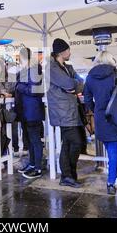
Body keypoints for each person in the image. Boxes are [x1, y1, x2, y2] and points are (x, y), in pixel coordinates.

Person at [84, 51, 117, 194]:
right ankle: (111, 183)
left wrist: (97, 110)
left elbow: (87, 100)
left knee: (112, 151)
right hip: (116, 118)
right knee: (113, 153)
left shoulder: (90, 78)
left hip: (101, 118)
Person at [46, 39, 84, 188]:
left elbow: (80, 82)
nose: (70, 53)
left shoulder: (69, 67)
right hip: (62, 112)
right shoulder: (51, 68)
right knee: (75, 142)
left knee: (69, 143)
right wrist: (72, 85)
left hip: (71, 111)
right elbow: (69, 84)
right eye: (68, 50)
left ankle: (69, 176)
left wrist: (75, 86)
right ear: (61, 52)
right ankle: (68, 175)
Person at [15, 47, 45, 180]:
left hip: (33, 111)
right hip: (26, 111)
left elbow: (35, 90)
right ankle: (32, 164)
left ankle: (37, 167)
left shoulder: (34, 70)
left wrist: (19, 86)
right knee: (30, 140)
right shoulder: (26, 71)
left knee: (35, 140)